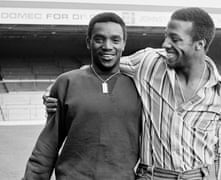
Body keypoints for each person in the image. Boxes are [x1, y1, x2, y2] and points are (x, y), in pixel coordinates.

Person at [45, 7, 221, 179]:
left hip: (197, 176)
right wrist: (56, 88)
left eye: (175, 39)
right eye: (166, 35)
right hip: (151, 175)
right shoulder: (149, 62)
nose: (165, 44)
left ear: (199, 44)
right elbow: (99, 67)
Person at [23, 12, 142, 180]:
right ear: (89, 42)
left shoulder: (140, 86)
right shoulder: (66, 83)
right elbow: (47, 145)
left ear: (123, 44)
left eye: (115, 40)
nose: (107, 46)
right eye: (99, 39)